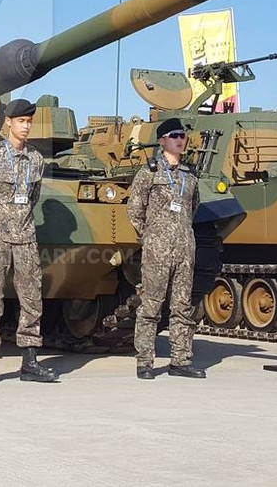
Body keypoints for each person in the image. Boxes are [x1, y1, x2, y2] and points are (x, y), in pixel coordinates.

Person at [0, 98, 59, 385]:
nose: (26, 126)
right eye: (21, 121)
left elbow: (33, 198)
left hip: (25, 239)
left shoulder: (36, 159)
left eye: (29, 121)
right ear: (8, 122)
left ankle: (30, 362)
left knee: (32, 299)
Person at [126, 117, 206, 380]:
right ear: (162, 141)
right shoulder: (149, 172)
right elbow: (134, 210)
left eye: (183, 135)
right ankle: (145, 362)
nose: (180, 140)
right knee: (151, 305)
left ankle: (181, 361)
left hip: (184, 249)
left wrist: (180, 235)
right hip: (157, 250)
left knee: (182, 306)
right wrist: (151, 237)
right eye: (174, 136)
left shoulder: (190, 176)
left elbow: (193, 207)